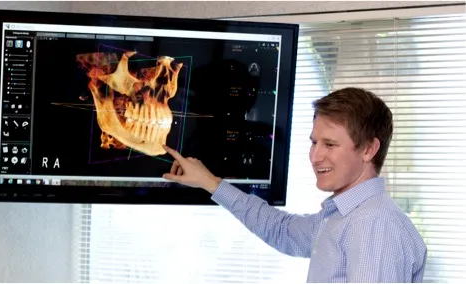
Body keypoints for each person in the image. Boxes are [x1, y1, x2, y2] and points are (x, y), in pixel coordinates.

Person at [161, 87, 427, 283]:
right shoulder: (343, 217)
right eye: (314, 142)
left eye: (330, 144)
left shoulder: (372, 224)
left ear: (369, 149)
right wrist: (210, 182)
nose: (315, 156)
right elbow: (282, 231)